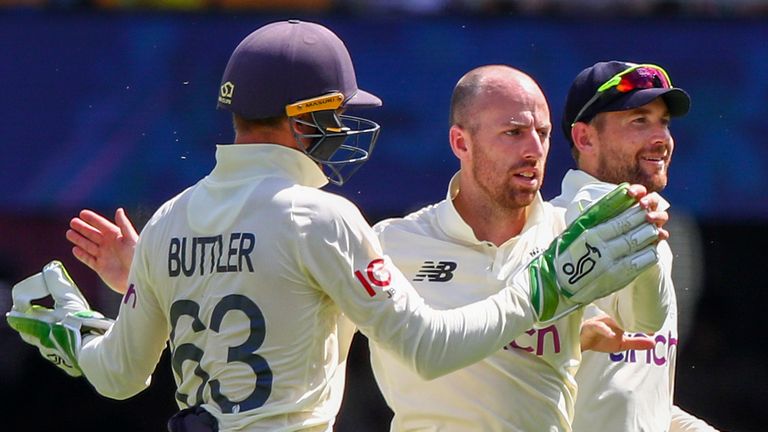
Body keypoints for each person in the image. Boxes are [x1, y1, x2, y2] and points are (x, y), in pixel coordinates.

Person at [5, 22, 662, 432]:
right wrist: (552, 281)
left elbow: (118, 375)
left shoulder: (171, 222)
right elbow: (429, 348)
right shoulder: (322, 217)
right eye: (340, 114)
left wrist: (76, 323)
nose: (347, 130)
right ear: (305, 116)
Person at [368, 65, 672, 431]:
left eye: (542, 134)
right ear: (460, 143)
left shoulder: (571, 234)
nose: (534, 150)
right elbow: (326, 352)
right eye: (513, 132)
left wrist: (645, 237)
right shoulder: (391, 242)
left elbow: (649, 321)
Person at [553, 60, 719, 431]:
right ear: (584, 138)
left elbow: (631, 401)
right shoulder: (546, 229)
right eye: (639, 120)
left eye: (664, 122)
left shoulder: (653, 225)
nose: (660, 137)